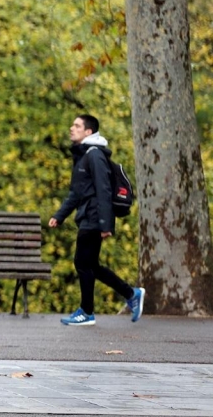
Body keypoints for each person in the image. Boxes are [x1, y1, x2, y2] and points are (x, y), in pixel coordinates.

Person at [49, 114, 145, 326]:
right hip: (88, 215)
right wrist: (59, 215)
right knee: (91, 265)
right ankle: (131, 293)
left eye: (76, 125)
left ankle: (87, 311)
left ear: (88, 131)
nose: (71, 128)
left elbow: (104, 189)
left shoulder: (95, 155)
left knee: (83, 263)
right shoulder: (83, 156)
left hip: (94, 217)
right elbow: (76, 193)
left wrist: (106, 224)